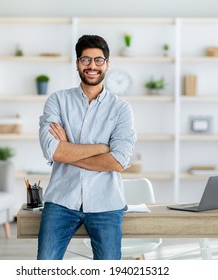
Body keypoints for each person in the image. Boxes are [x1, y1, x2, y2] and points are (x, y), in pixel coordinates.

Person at [37, 34, 136, 260]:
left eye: (98, 60)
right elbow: (52, 150)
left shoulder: (121, 109)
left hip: (106, 202)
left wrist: (68, 149)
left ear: (107, 64)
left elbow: (117, 162)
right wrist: (102, 147)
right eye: (85, 60)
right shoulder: (57, 101)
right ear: (77, 64)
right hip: (62, 200)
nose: (92, 66)